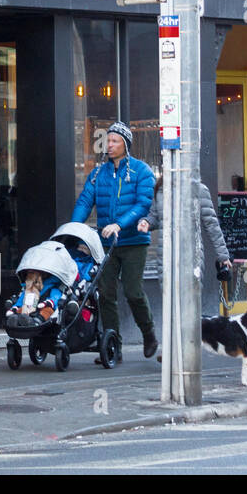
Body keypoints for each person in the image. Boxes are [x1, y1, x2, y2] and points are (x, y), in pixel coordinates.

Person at [70, 121, 156, 361]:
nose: (109, 145)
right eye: (108, 140)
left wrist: (120, 224)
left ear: (126, 144)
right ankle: (113, 348)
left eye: (115, 141)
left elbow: (143, 204)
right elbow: (85, 202)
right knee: (105, 294)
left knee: (133, 291)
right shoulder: (98, 173)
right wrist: (74, 229)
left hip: (134, 241)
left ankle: (148, 333)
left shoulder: (141, 171)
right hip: (106, 244)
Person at [138, 170, 232, 282]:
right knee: (168, 295)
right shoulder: (161, 190)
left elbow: (212, 225)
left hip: (191, 255)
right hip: (166, 255)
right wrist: (146, 222)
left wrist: (223, 256)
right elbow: (155, 216)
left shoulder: (199, 190)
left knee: (191, 294)